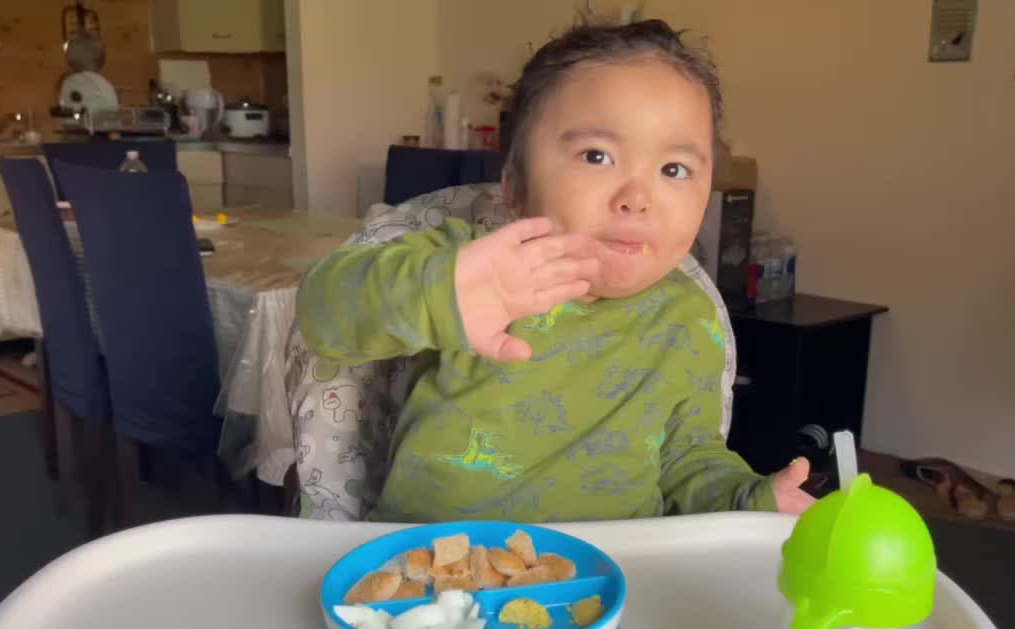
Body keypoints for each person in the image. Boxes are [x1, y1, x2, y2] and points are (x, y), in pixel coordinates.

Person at [298, 19, 815, 522]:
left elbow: (685, 463)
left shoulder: (688, 316)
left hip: (610, 580)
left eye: (673, 170)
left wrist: (750, 503)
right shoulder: (477, 266)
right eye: (597, 156)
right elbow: (324, 316)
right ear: (514, 186)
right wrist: (440, 294)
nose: (637, 198)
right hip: (433, 568)